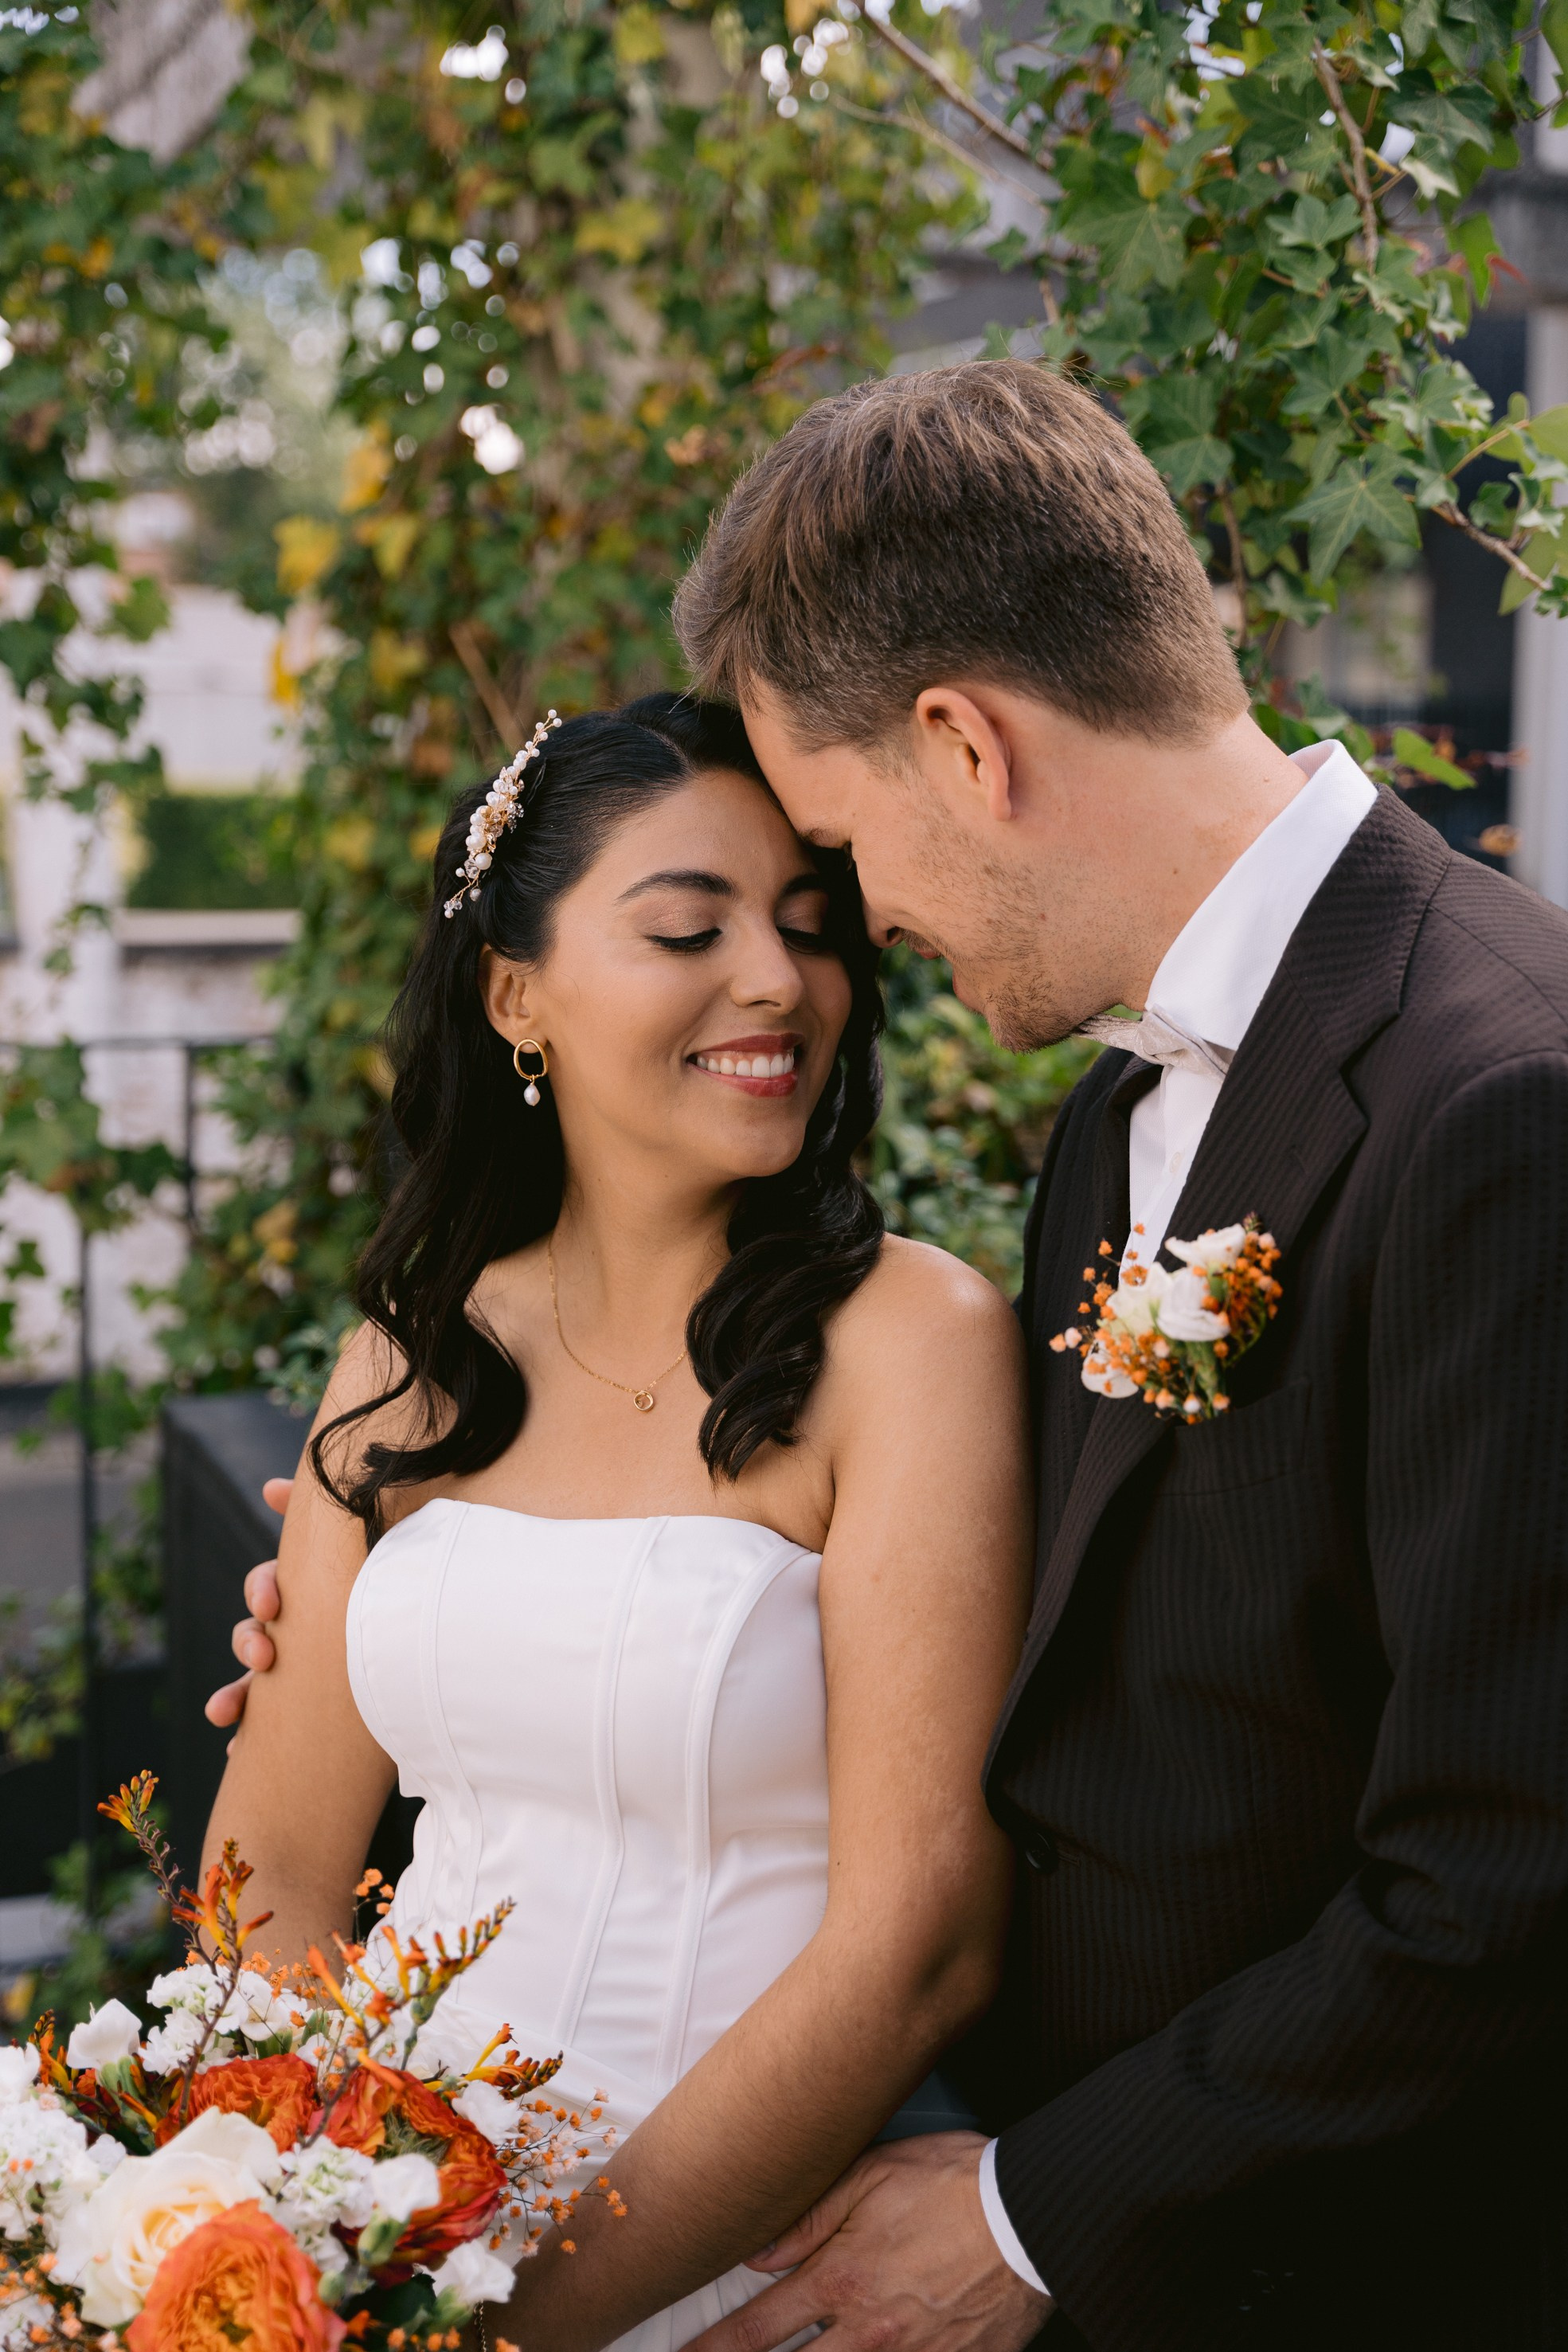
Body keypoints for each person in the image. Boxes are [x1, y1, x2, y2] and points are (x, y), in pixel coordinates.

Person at [215, 360, 1568, 2350]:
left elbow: (1507, 1867)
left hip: (1338, 2274)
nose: (853, 936)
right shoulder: (1120, 1118)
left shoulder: (1503, 1092)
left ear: (963, 743)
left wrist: (1025, 2213)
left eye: (838, 854)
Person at [201, 691, 1034, 2351]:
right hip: (378, 2242)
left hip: (727, 2258)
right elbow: (271, 1876)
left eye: (809, 925)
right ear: (516, 993)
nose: (776, 979)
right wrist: (280, 2248)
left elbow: (917, 1941)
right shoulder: (411, 1357)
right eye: (687, 927)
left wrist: (523, 2319)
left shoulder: (912, 1342)